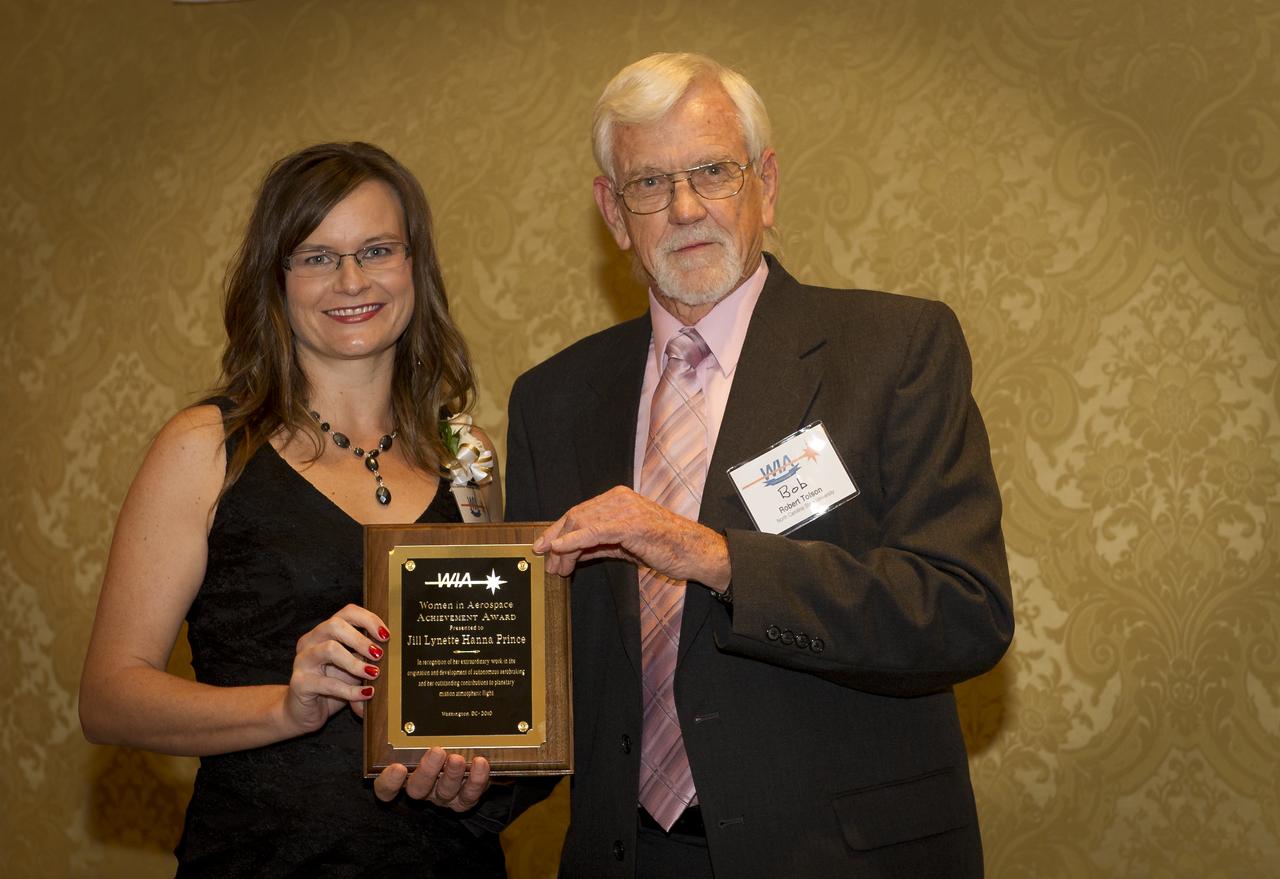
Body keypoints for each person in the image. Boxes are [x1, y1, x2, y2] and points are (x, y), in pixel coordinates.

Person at [504, 53, 1014, 878]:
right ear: (612, 210)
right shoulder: (552, 399)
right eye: (649, 183)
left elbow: (963, 611)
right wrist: (460, 765)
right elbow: (542, 666)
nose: (683, 208)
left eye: (713, 171)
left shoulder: (894, 351)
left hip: (839, 857)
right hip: (629, 856)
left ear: (766, 186)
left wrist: (715, 555)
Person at [80, 142, 513, 876]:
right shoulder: (208, 446)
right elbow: (109, 698)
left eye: (377, 249)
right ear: (275, 281)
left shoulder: (468, 458)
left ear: (415, 267)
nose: (351, 279)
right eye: (316, 256)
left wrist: (477, 769)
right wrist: (287, 704)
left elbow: (482, 690)